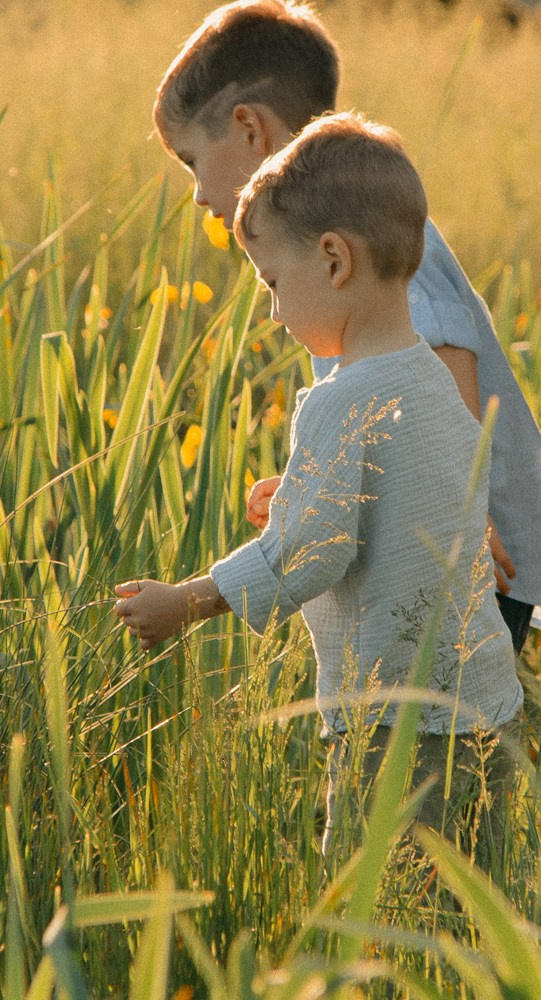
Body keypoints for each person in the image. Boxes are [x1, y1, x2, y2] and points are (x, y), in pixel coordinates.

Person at [113, 113, 524, 860]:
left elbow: (310, 551)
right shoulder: (433, 378)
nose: (272, 312)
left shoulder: (342, 397)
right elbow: (413, 496)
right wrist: (305, 484)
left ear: (334, 260)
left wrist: (188, 601)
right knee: (476, 914)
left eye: (272, 283)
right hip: (484, 708)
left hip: (397, 728)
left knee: (371, 919)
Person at [151, 0, 541, 654]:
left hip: (465, 566)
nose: (195, 195)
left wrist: (459, 505)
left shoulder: (372, 242)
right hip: (436, 555)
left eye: (191, 161)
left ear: (249, 129)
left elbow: (442, 361)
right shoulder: (326, 249)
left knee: (429, 742)